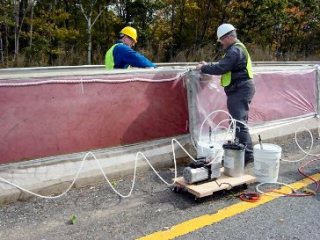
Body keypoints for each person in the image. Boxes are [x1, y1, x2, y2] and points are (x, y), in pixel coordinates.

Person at [196, 23, 255, 164]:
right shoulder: (237, 49)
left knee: (239, 123)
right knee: (239, 122)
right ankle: (246, 152)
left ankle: (246, 155)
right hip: (241, 89)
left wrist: (203, 67)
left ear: (228, 37)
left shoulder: (235, 51)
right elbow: (225, 64)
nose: (221, 43)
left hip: (240, 90)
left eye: (221, 40)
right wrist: (208, 65)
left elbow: (222, 67)